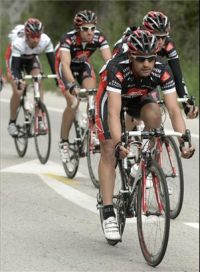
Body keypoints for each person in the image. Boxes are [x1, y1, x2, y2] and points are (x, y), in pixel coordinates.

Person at [95, 30, 195, 241]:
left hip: (137, 97)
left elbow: (174, 110)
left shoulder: (162, 68)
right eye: (141, 59)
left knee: (155, 114)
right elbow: (113, 112)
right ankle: (107, 211)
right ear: (131, 57)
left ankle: (144, 161)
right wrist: (118, 142)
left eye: (151, 58)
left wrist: (183, 140)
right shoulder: (117, 68)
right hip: (112, 98)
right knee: (108, 148)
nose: (147, 64)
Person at [112, 11, 198, 119]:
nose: (161, 41)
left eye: (164, 36)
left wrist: (186, 103)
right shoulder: (128, 43)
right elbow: (116, 71)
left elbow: (177, 74)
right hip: (129, 75)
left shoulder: (168, 44)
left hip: (150, 72)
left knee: (153, 107)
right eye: (157, 37)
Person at [55, 10, 112, 163]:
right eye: (85, 29)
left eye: (92, 28)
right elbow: (65, 64)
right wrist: (72, 85)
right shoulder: (68, 39)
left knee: (93, 95)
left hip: (83, 66)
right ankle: (64, 142)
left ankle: (92, 130)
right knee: (73, 103)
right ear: (78, 29)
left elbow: (109, 63)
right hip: (65, 68)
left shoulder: (99, 37)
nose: (90, 32)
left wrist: (112, 82)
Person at [5, 18, 56, 137]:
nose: (36, 40)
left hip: (31, 59)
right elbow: (15, 68)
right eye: (32, 37)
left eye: (38, 36)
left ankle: (39, 118)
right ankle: (12, 122)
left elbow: (53, 64)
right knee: (18, 90)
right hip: (15, 59)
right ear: (26, 36)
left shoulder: (46, 41)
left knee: (38, 78)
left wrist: (58, 79)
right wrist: (17, 80)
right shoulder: (18, 43)